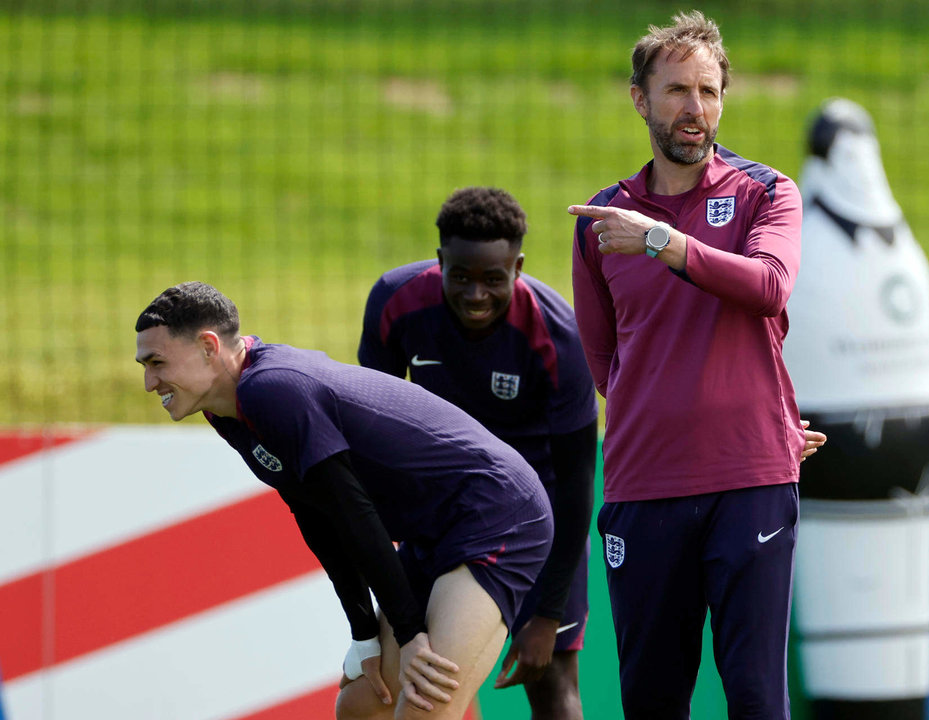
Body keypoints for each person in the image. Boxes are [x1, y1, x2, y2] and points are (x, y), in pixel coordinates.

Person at [134, 281, 553, 720]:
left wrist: (410, 634)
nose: (149, 382)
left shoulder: (271, 389)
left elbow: (354, 512)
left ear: (207, 347)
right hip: (437, 529)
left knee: (424, 705)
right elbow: (318, 516)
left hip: (498, 515)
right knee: (362, 706)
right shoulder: (228, 410)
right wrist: (365, 635)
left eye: (157, 362)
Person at [568, 10, 810, 720]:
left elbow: (768, 285)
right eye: (676, 91)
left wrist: (661, 243)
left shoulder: (768, 193)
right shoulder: (605, 220)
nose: (694, 109)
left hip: (751, 482)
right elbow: (605, 361)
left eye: (708, 91)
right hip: (645, 489)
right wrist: (688, 410)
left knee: (758, 699)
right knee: (651, 701)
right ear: (640, 99)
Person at [358, 186, 598, 720]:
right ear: (440, 261)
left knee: (553, 681)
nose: (475, 294)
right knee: (380, 693)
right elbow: (369, 433)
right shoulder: (395, 303)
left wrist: (547, 614)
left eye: (494, 279)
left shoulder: (558, 337)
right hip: (439, 519)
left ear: (519, 266)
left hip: (533, 521)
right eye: (460, 276)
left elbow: (579, 481)